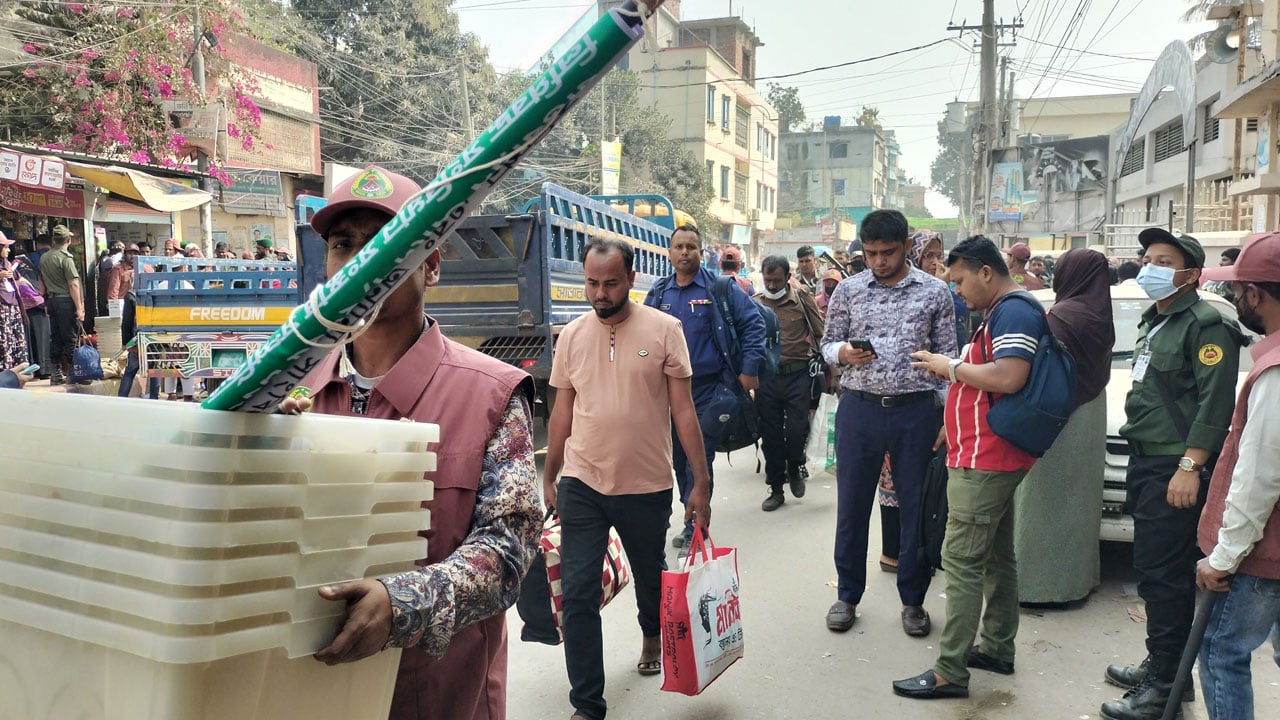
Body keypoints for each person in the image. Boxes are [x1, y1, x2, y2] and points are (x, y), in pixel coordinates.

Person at [279, 164, 541, 720]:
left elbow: (508, 551)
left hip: (439, 698)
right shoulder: (287, 388)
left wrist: (402, 603)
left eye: (384, 245)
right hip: (302, 692)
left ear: (433, 266)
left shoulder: (492, 395)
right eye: (343, 245)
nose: (360, 262)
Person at [545, 237, 711, 720]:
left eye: (610, 283)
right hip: (582, 482)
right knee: (577, 593)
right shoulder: (572, 335)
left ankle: (651, 632)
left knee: (649, 575)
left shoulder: (665, 329)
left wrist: (699, 483)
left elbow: (683, 410)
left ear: (631, 280)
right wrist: (551, 472)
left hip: (647, 484)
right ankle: (587, 705)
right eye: (592, 283)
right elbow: (562, 410)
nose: (599, 293)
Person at [1101, 228, 1246, 720]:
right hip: (1147, 461)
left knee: (1164, 576)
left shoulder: (1207, 323)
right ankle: (1165, 666)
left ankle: (1164, 685)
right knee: (1153, 570)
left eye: (1164, 260)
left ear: (1191, 275)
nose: (1151, 267)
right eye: (1147, 258)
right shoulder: (1156, 320)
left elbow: (1216, 402)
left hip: (1174, 466)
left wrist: (1190, 465)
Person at [895, 235, 1046, 700]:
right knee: (997, 556)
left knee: (961, 562)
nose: (956, 291)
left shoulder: (1014, 311)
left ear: (985, 272)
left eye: (959, 280)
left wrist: (949, 368)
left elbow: (1008, 376)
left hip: (986, 460)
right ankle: (998, 646)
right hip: (987, 454)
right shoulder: (998, 313)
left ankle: (949, 671)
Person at [821, 210, 956, 639]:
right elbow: (826, 345)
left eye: (888, 253)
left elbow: (949, 359)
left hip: (916, 412)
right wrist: (844, 353)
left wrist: (947, 418)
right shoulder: (848, 289)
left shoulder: (935, 293)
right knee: (852, 506)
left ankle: (913, 601)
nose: (879, 261)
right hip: (860, 410)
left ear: (906, 246)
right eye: (872, 253)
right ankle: (847, 596)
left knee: (916, 508)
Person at [1193, 232, 1280, 720]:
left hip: (1260, 554)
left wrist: (1223, 557)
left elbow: (1260, 477)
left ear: (1257, 296)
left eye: (1239, 289)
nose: (1235, 298)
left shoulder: (1274, 372)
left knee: (1223, 654)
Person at [644, 223, 765, 552]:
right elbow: (642, 336)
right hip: (670, 392)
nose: (685, 252)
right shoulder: (658, 293)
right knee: (678, 457)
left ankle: (694, 525)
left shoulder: (720, 289)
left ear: (701, 252)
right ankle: (691, 511)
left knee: (699, 455)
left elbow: (753, 324)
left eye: (691, 247)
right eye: (679, 247)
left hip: (711, 390)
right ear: (669, 253)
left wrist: (748, 371)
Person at [1014, 249, 1115, 605]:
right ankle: (1076, 581)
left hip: (1059, 418)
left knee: (1043, 503)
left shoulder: (1065, 315)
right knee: (1078, 505)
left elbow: (1038, 367)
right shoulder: (1100, 311)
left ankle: (1038, 587)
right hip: (1089, 416)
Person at [876, 230, 950, 574]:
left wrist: (949, 411)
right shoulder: (885, 291)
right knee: (889, 481)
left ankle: (920, 553)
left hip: (930, 403)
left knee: (925, 482)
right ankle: (893, 551)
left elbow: (949, 353)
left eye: (939, 255)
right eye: (929, 255)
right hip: (888, 402)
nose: (936, 262)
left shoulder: (942, 294)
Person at [755, 255, 824, 511]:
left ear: (787, 278)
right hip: (767, 380)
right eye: (767, 280)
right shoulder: (754, 304)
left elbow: (820, 333)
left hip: (798, 376)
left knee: (797, 432)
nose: (772, 286)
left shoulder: (802, 300)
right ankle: (776, 488)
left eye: (777, 280)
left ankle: (795, 465)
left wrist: (836, 374)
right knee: (770, 436)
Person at [38, 225, 84, 385]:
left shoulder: (44, 258)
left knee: (55, 338)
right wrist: (79, 308)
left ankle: (55, 373)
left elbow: (41, 284)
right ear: (68, 240)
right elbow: (73, 285)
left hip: (51, 301)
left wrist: (45, 300)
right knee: (70, 338)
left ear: (54, 240)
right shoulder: (66, 258)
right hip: (66, 301)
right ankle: (74, 373)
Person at [16, 234, 50, 379]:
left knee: (30, 339)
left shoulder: (21, 260)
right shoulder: (52, 257)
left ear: (37, 244)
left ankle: (32, 369)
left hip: (27, 305)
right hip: (46, 304)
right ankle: (45, 370)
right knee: (45, 338)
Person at [0, 232, 31, 369]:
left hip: (13, 306)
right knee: (4, 340)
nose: (8, 250)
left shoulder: (6, 263)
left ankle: (20, 369)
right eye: (5, 247)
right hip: (2, 308)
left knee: (16, 338)